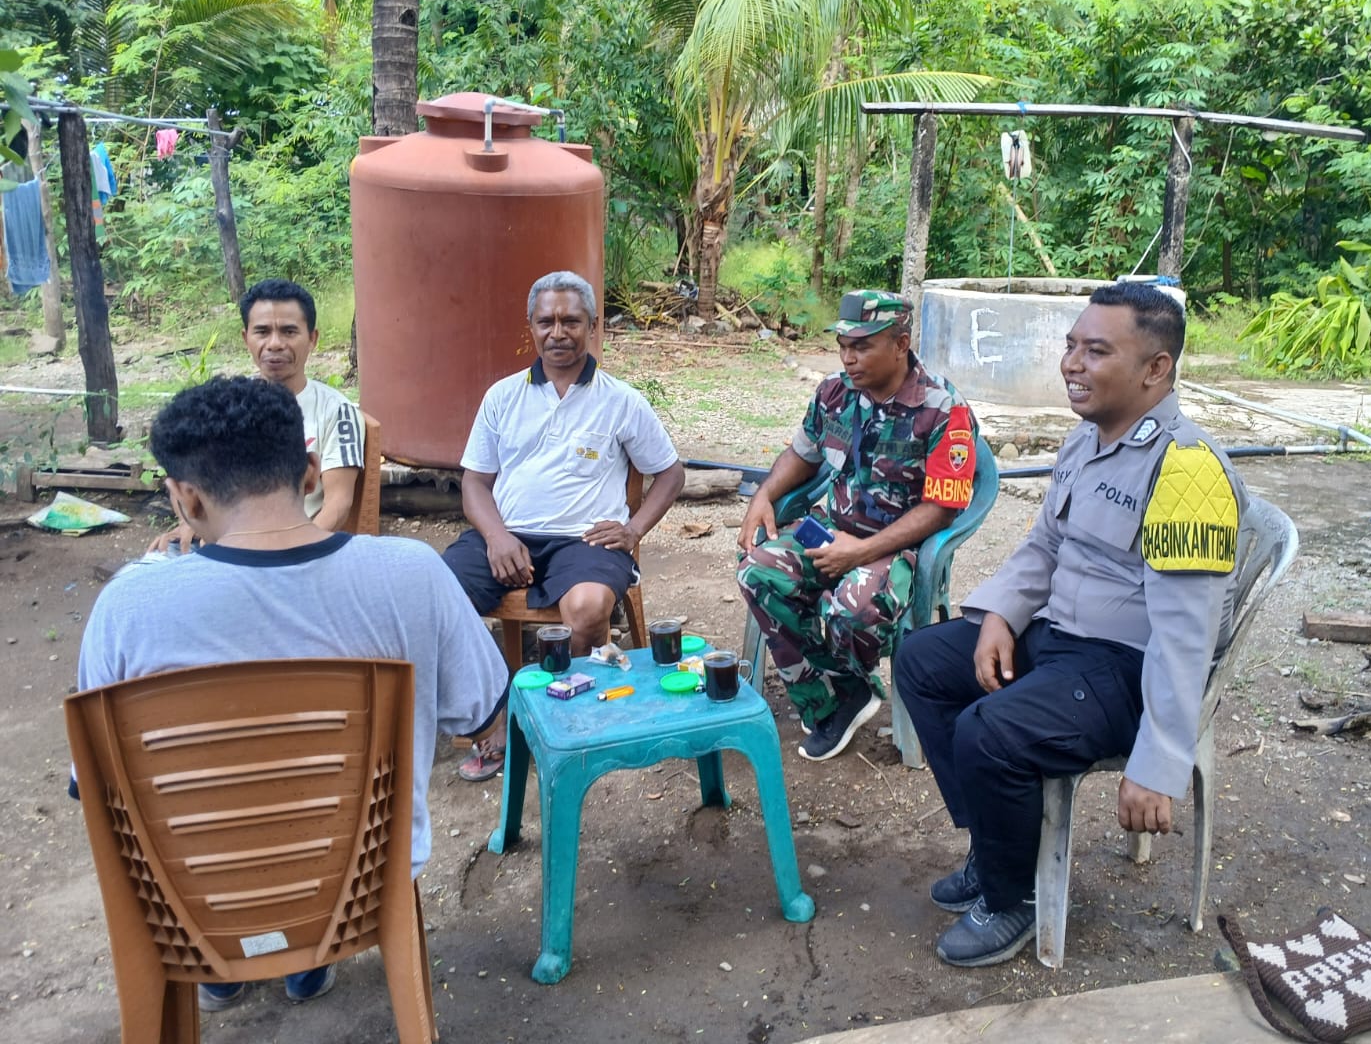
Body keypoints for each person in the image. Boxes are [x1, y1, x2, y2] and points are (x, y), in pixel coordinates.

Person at [76, 377, 507, 1010]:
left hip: (190, 907)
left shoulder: (127, 607)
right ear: (310, 474)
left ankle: (223, 966)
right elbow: (485, 719)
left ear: (185, 498)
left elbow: (95, 787)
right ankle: (313, 954)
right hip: (359, 892)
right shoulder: (413, 574)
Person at [896, 281, 1249, 967]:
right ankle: (996, 849)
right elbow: (1043, 548)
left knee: (987, 730)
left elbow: (1186, 637)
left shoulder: (1188, 474)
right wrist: (999, 615)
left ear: (1155, 369)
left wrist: (1158, 764)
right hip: (1059, 637)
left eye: (1096, 351)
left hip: (1123, 672)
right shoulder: (1085, 440)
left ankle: (1014, 899)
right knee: (924, 661)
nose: (1071, 364)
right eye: (1070, 346)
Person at [442, 270, 686, 780]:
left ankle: (565, 715)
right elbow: (475, 484)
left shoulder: (621, 400)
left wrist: (634, 530)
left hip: (585, 540)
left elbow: (671, 473)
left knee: (589, 608)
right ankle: (496, 720)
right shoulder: (502, 396)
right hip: (508, 534)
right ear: (531, 327)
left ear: (593, 326)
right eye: (546, 321)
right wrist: (497, 537)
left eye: (571, 321)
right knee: (438, 597)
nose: (558, 332)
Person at [737, 290, 975, 762]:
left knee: (853, 608)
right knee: (758, 571)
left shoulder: (942, 408)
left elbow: (941, 510)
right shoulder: (835, 392)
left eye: (862, 346)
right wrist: (763, 495)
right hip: (831, 528)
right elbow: (802, 455)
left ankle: (842, 687)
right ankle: (837, 695)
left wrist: (861, 552)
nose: (848, 358)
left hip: (898, 547)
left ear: (901, 344)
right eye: (843, 346)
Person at [148, 278, 364, 553]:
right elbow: (189, 474)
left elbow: (338, 504)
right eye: (262, 331)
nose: (275, 344)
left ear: (313, 339)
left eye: (289, 331)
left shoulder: (336, 411)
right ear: (245, 338)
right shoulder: (228, 405)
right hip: (224, 544)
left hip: (296, 548)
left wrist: (289, 554)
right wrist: (189, 523)